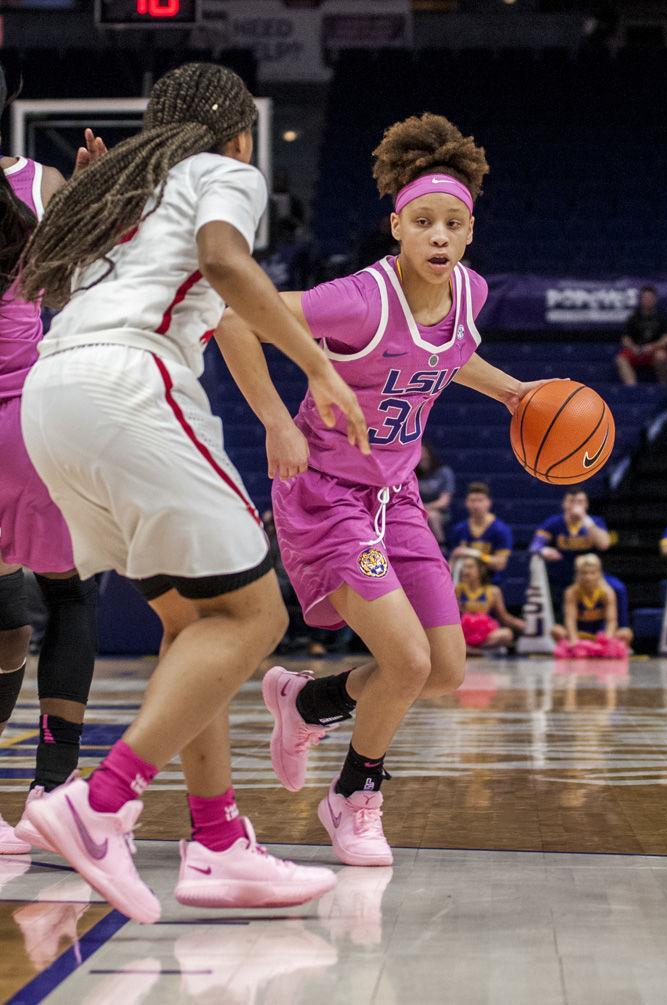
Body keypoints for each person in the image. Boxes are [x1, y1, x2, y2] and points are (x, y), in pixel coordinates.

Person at [19, 62, 369, 922]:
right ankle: (99, 802)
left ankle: (217, 842)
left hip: (51, 392)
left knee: (193, 625)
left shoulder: (121, 196)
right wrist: (318, 367)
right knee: (256, 616)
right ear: (240, 133)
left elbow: (60, 284)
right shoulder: (226, 171)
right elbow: (223, 261)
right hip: (129, 383)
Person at [218, 112, 555, 866]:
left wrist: (512, 393)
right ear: (396, 226)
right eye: (424, 221)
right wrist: (277, 419)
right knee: (403, 661)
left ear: (470, 235)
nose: (439, 235)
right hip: (327, 492)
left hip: (392, 497)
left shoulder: (469, 293)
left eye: (454, 223)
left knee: (443, 668)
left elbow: (447, 357)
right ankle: (354, 797)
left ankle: (308, 702)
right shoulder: (358, 300)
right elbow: (237, 317)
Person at [0, 62, 105, 855]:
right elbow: (90, 273)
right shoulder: (39, 182)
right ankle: (52, 787)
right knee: (68, 598)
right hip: (30, 423)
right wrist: (93, 194)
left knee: (3, 620)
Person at [551, 553, 632, 648]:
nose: (588, 577)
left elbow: (611, 621)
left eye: (592, 573)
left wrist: (606, 640)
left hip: (600, 635)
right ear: (578, 574)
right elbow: (570, 620)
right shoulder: (571, 593)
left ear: (599, 574)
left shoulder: (607, 592)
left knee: (626, 633)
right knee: (556, 630)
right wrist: (574, 641)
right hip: (580, 635)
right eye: (584, 573)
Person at [456, 556, 525, 654]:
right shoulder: (457, 589)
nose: (465, 571)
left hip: (484, 633)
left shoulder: (493, 591)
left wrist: (519, 624)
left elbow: (504, 617)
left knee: (507, 634)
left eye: (470, 567)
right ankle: (470, 650)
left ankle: (475, 651)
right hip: (463, 632)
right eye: (464, 567)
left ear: (480, 570)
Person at [449, 481, 513, 583]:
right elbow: (453, 562)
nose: (476, 505)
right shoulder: (459, 529)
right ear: (466, 502)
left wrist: (474, 553)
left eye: (480, 500)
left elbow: (500, 563)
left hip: (491, 585)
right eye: (472, 500)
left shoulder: (501, 529)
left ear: (488, 502)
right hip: (464, 585)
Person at [616, 285, 667, 386]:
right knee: (621, 359)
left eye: (650, 298)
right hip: (637, 350)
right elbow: (625, 339)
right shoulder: (633, 317)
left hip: (655, 350)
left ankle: (663, 386)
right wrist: (634, 348)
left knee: (661, 356)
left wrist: (652, 347)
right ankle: (632, 388)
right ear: (640, 299)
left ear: (655, 299)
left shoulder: (663, 317)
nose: (647, 300)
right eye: (645, 298)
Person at [415, 441, 454, 545]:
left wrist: (424, 507)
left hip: (439, 512)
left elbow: (444, 501)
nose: (422, 458)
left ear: (430, 455)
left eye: (424, 455)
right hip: (417, 510)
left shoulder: (443, 472)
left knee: (432, 516)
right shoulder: (412, 474)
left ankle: (441, 544)